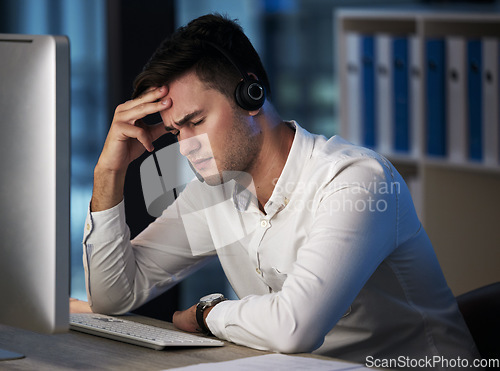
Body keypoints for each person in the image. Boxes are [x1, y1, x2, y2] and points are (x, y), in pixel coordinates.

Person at [82, 13, 480, 368]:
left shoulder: (354, 180)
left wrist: (208, 313)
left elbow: (295, 327)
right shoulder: (214, 192)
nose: (186, 147)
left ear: (250, 95)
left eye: (196, 121)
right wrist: (109, 172)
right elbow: (112, 296)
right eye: (175, 131)